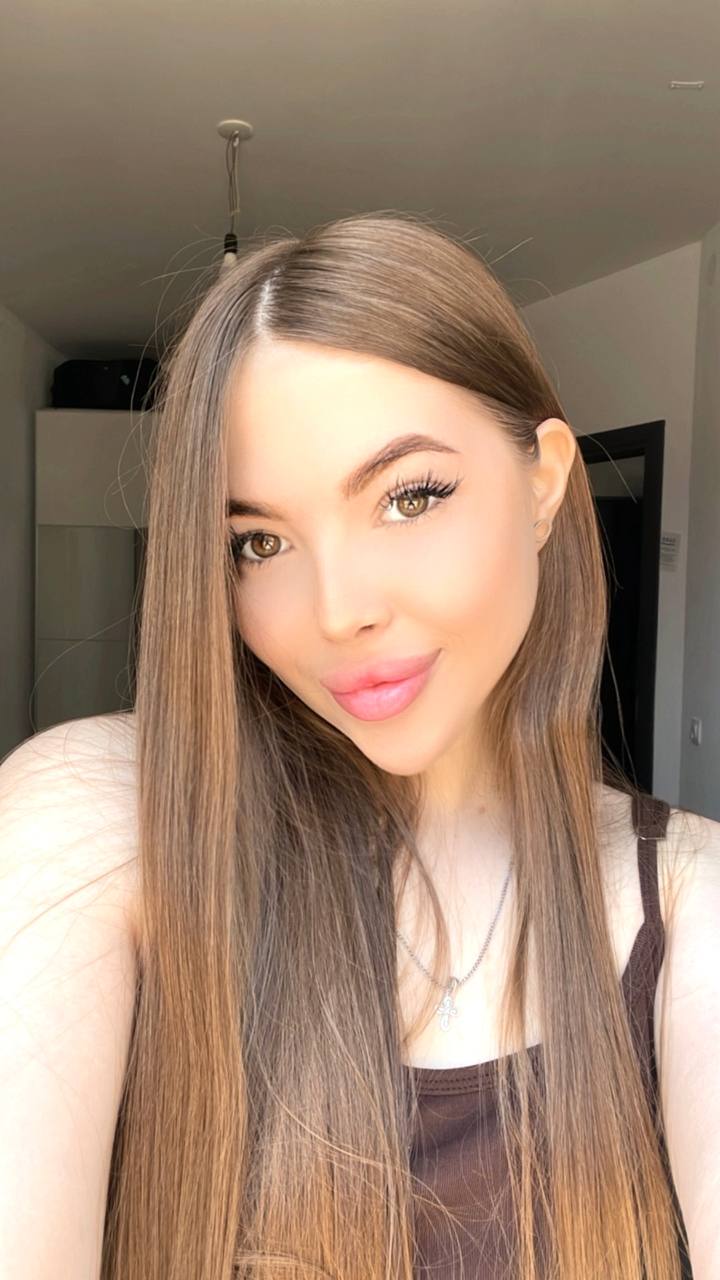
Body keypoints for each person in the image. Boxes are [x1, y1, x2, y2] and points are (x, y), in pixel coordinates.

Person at [1, 212, 718, 1280]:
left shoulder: (689, 904)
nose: (337, 611)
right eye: (260, 541)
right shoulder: (106, 820)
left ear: (543, 483)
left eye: (408, 496)